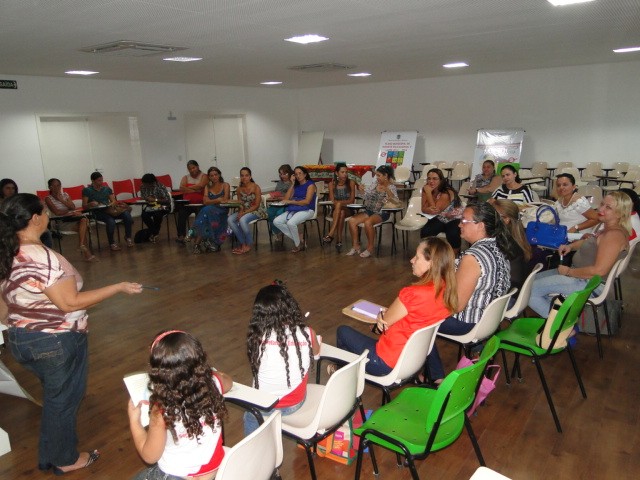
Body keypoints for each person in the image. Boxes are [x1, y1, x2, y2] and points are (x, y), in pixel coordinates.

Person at [0, 193, 142, 475]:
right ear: (35, 218)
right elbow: (69, 303)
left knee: (56, 398)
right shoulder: (42, 257)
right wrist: (118, 287)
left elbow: (3, 305)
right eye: (44, 211)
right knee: (63, 401)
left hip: (20, 339)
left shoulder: (7, 251)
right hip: (55, 340)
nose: (48, 216)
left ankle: (49, 455)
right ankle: (64, 459)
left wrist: (19, 322)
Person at [336, 237, 457, 376]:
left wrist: (381, 317)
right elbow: (416, 315)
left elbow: (384, 324)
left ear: (432, 263)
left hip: (386, 362)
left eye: (417, 257)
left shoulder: (413, 294)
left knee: (343, 331)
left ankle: (343, 376)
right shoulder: (446, 290)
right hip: (414, 360)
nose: (412, 260)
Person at [128, 330, 232, 480]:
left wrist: (134, 421)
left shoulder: (162, 409)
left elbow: (149, 456)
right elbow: (228, 381)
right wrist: (209, 374)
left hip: (177, 475)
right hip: (214, 470)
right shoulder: (213, 384)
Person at [426, 202, 511, 382]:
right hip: (490, 321)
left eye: (464, 220)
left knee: (416, 319)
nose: (459, 224)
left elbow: (456, 305)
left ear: (480, 225)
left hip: (469, 323)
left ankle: (437, 378)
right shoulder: (499, 247)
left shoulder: (473, 257)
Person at [528, 191, 631, 317]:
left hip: (588, 284)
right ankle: (559, 314)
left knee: (530, 290)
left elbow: (599, 271)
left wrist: (568, 272)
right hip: (580, 276)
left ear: (620, 213)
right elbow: (590, 241)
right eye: (602, 204)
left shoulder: (613, 236)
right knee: (533, 280)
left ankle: (561, 325)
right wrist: (570, 246)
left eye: (608, 207)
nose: (600, 209)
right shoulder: (607, 228)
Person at [245, 282, 320, 435]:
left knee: (250, 416)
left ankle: (254, 444)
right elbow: (317, 354)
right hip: (294, 404)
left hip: (264, 406)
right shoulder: (307, 333)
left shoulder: (257, 337)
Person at [345, 164, 398, 258]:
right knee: (352, 220)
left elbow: (395, 201)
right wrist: (361, 191)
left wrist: (387, 190)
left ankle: (370, 248)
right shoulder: (375, 184)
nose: (377, 177)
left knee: (368, 222)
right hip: (369, 210)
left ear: (385, 176)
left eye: (379, 175)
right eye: (376, 175)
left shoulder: (392, 187)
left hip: (382, 212)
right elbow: (366, 197)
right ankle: (355, 246)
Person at [45, 178, 96, 261]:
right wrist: (69, 212)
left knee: (83, 221)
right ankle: (86, 252)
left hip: (71, 219)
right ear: (50, 187)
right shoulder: (48, 199)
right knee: (83, 228)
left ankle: (81, 245)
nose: (57, 188)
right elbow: (57, 212)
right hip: (59, 222)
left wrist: (61, 200)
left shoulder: (65, 195)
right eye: (54, 186)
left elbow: (73, 207)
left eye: (59, 185)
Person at [82, 172, 134, 251]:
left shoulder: (106, 189)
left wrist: (111, 203)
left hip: (109, 210)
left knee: (127, 215)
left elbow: (114, 201)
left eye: (102, 180)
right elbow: (84, 206)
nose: (101, 182)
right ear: (93, 181)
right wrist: (90, 204)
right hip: (98, 212)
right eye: (99, 180)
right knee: (111, 221)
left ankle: (128, 237)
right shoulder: (87, 190)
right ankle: (112, 243)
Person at [273, 166, 317, 253]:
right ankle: (298, 238)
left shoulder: (310, 185)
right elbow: (286, 199)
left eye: (300, 173)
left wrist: (291, 202)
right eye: (296, 174)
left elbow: (307, 201)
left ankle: (298, 245)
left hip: (308, 210)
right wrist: (292, 184)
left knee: (291, 223)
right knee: (276, 221)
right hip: (295, 209)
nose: (298, 176)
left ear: (305, 174)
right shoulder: (295, 185)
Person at [420, 168, 464, 253]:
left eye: (435, 179)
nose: (431, 181)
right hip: (440, 217)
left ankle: (454, 256)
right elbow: (423, 208)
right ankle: (429, 253)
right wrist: (428, 208)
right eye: (429, 178)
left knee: (453, 234)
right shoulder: (426, 189)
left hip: (454, 218)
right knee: (425, 231)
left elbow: (435, 210)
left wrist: (428, 193)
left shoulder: (447, 192)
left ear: (441, 180)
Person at [1, 178, 54, 248]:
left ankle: (44, 250)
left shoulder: (18, 201)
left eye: (13, 188)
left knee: (46, 232)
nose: (11, 190)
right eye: (8, 188)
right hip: (7, 228)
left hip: (21, 225)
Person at [493, 199, 533, 291]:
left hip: (508, 293)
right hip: (515, 289)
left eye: (493, 215)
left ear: (506, 219)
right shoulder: (517, 237)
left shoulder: (505, 243)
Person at [190, 167, 230, 254]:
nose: (214, 177)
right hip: (209, 211)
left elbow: (225, 200)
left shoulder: (225, 185)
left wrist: (211, 201)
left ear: (219, 175)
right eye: (211, 176)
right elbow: (205, 202)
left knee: (205, 210)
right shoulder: (207, 187)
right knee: (206, 214)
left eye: (215, 174)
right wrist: (218, 200)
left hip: (222, 210)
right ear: (209, 177)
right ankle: (199, 244)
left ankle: (193, 235)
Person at [227, 167, 266, 254]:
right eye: (242, 175)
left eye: (246, 175)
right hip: (245, 209)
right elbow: (240, 203)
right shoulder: (239, 189)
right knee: (230, 219)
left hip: (257, 210)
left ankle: (249, 244)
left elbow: (256, 205)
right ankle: (243, 243)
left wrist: (243, 213)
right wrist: (241, 211)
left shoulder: (256, 187)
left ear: (250, 177)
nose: (244, 177)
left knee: (242, 219)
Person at [322, 163, 356, 252]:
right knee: (341, 212)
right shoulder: (331, 184)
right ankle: (339, 239)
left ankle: (331, 233)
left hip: (348, 209)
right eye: (342, 172)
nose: (345, 174)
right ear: (337, 173)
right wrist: (338, 204)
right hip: (336, 210)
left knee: (340, 207)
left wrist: (339, 203)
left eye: (346, 172)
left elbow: (351, 200)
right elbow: (332, 200)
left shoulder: (351, 182)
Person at [176, 160, 207, 243]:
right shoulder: (185, 177)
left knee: (199, 217)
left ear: (198, 166)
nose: (192, 170)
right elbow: (181, 188)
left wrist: (188, 188)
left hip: (200, 203)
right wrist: (196, 190)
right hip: (187, 204)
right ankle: (181, 236)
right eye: (190, 169)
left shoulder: (204, 176)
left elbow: (201, 185)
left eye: (193, 167)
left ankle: (198, 236)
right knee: (181, 214)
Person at [139, 173, 171, 243]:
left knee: (157, 215)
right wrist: (146, 199)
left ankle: (154, 233)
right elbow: (143, 197)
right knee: (144, 215)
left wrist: (155, 200)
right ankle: (154, 232)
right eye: (144, 184)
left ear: (152, 183)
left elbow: (167, 200)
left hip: (162, 206)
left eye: (146, 184)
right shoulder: (142, 187)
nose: (145, 186)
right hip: (150, 206)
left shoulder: (160, 186)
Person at [267, 164, 294, 237]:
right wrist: (274, 196)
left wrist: (280, 197)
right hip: (278, 203)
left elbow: (290, 197)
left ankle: (284, 231)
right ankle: (277, 232)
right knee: (269, 212)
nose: (282, 176)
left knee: (279, 213)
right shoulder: (280, 182)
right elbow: (276, 192)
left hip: (288, 204)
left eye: (284, 174)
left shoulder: (293, 183)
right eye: (281, 174)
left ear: (289, 173)